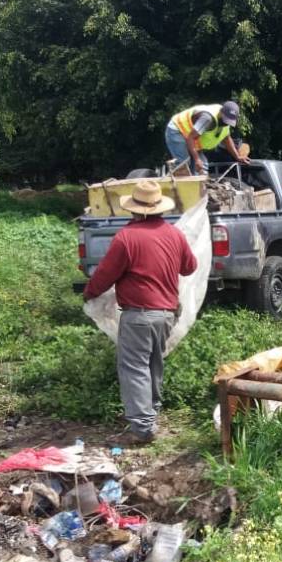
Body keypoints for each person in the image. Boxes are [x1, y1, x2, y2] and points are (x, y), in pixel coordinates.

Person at [84, 179, 198, 445]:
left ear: (134, 209)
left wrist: (90, 293)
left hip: (139, 315)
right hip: (167, 313)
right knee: (153, 363)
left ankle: (143, 428)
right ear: (159, 207)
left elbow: (105, 275)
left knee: (134, 367)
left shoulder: (127, 237)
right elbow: (190, 267)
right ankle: (150, 414)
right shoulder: (174, 234)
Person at [165, 101, 249, 175]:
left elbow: (227, 139)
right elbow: (190, 138)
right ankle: (173, 179)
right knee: (184, 164)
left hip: (192, 138)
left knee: (203, 165)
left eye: (229, 121)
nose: (226, 123)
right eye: (225, 119)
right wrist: (197, 159)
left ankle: (199, 186)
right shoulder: (207, 118)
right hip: (177, 130)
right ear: (221, 112)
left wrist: (237, 157)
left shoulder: (225, 121)